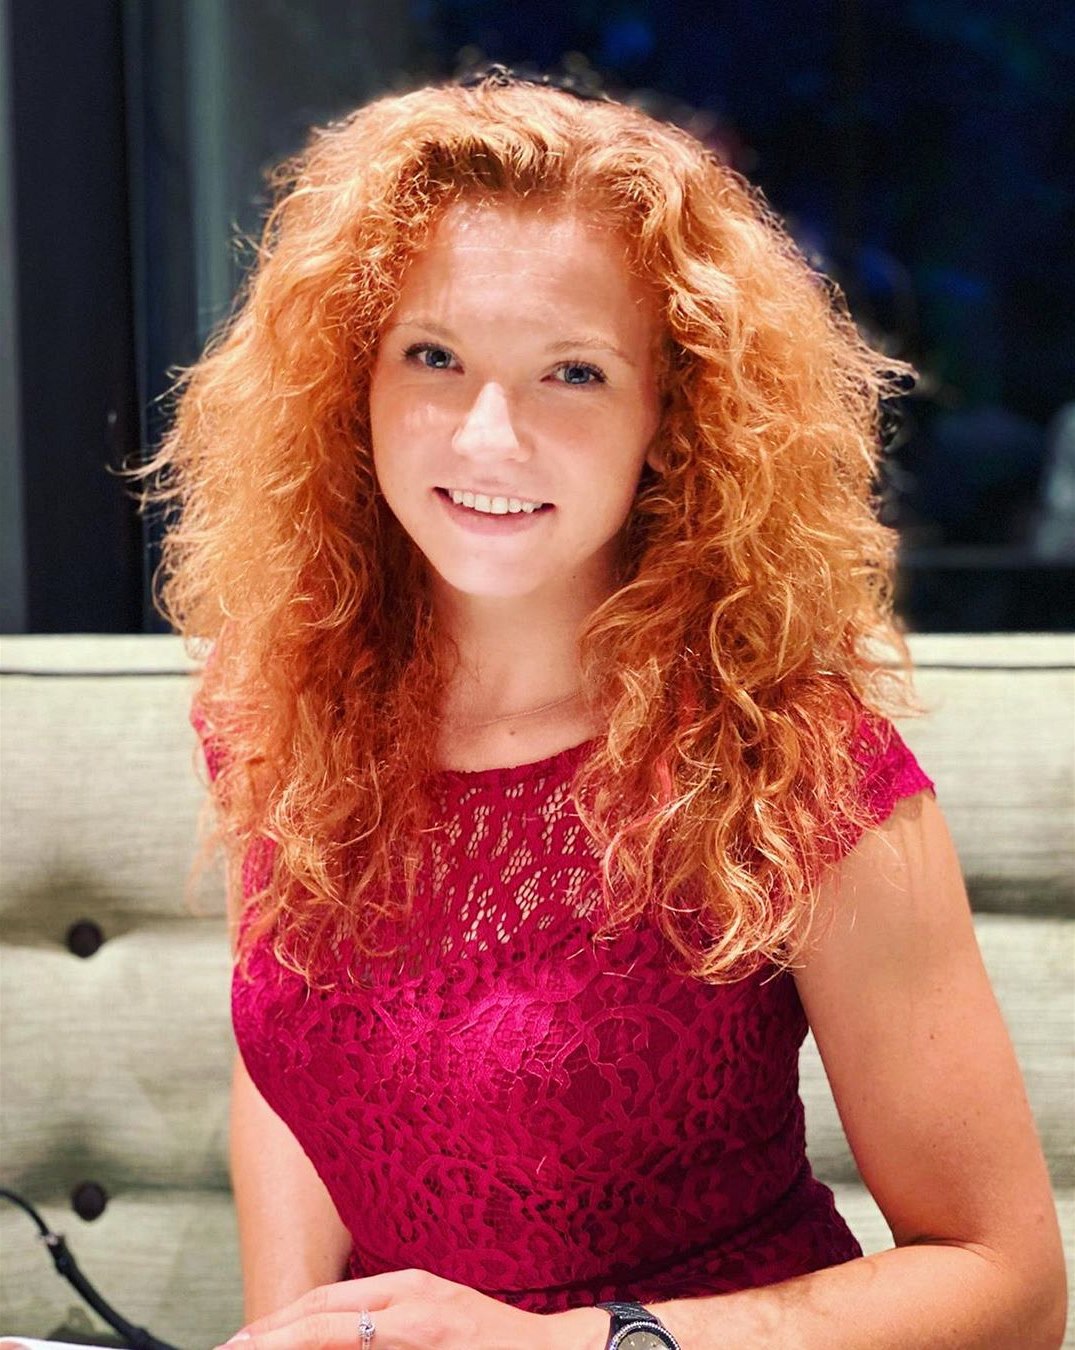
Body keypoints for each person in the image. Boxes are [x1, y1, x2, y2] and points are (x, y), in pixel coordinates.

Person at [139, 67, 1066, 1350]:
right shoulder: (283, 703)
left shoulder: (793, 767)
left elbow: (1009, 1285)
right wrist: (295, 1333)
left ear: (670, 422)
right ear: (351, 383)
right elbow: (301, 1059)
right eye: (433, 356)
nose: (488, 436)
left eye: (571, 373)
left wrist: (563, 1345)